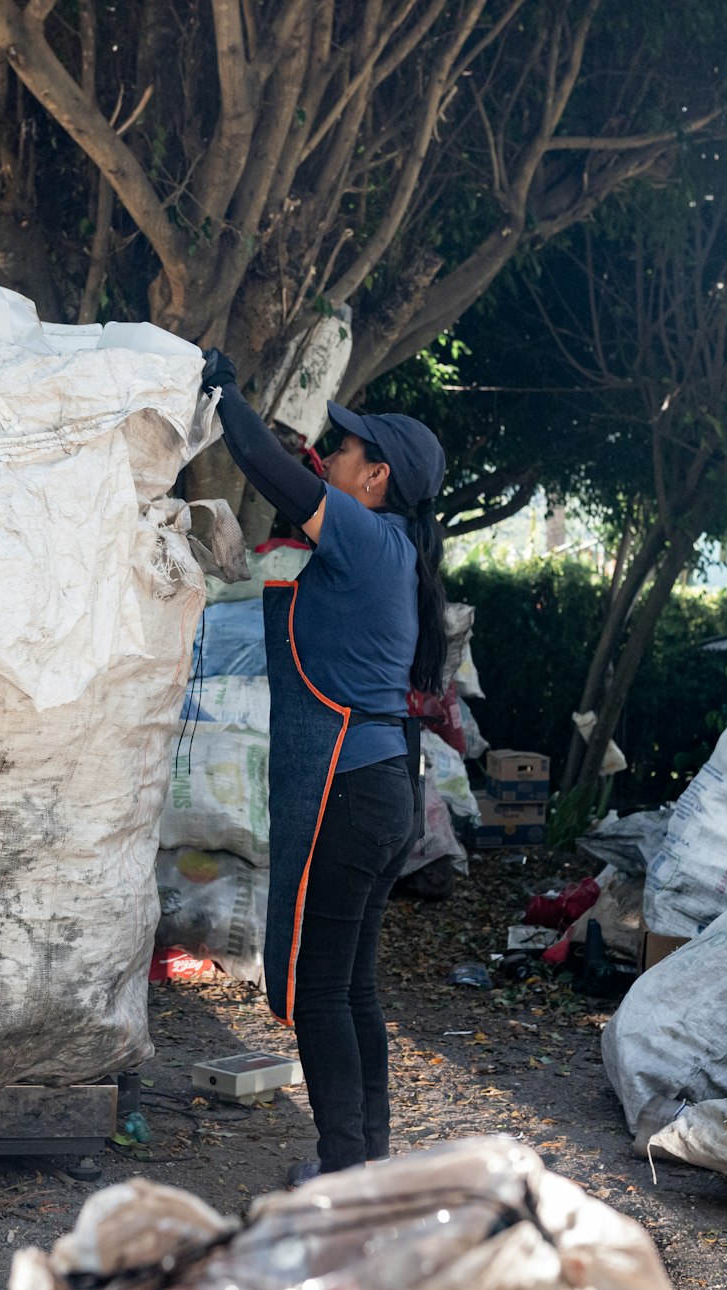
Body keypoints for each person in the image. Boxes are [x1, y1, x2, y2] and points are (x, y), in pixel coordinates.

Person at [199, 348, 448, 1184]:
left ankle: (342, 1169)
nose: (330, 457)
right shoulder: (397, 551)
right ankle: (365, 1161)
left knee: (318, 988)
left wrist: (224, 392)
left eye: (345, 450)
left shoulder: (366, 537)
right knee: (353, 985)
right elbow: (299, 470)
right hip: (386, 792)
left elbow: (275, 473)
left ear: (375, 476)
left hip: (353, 790)